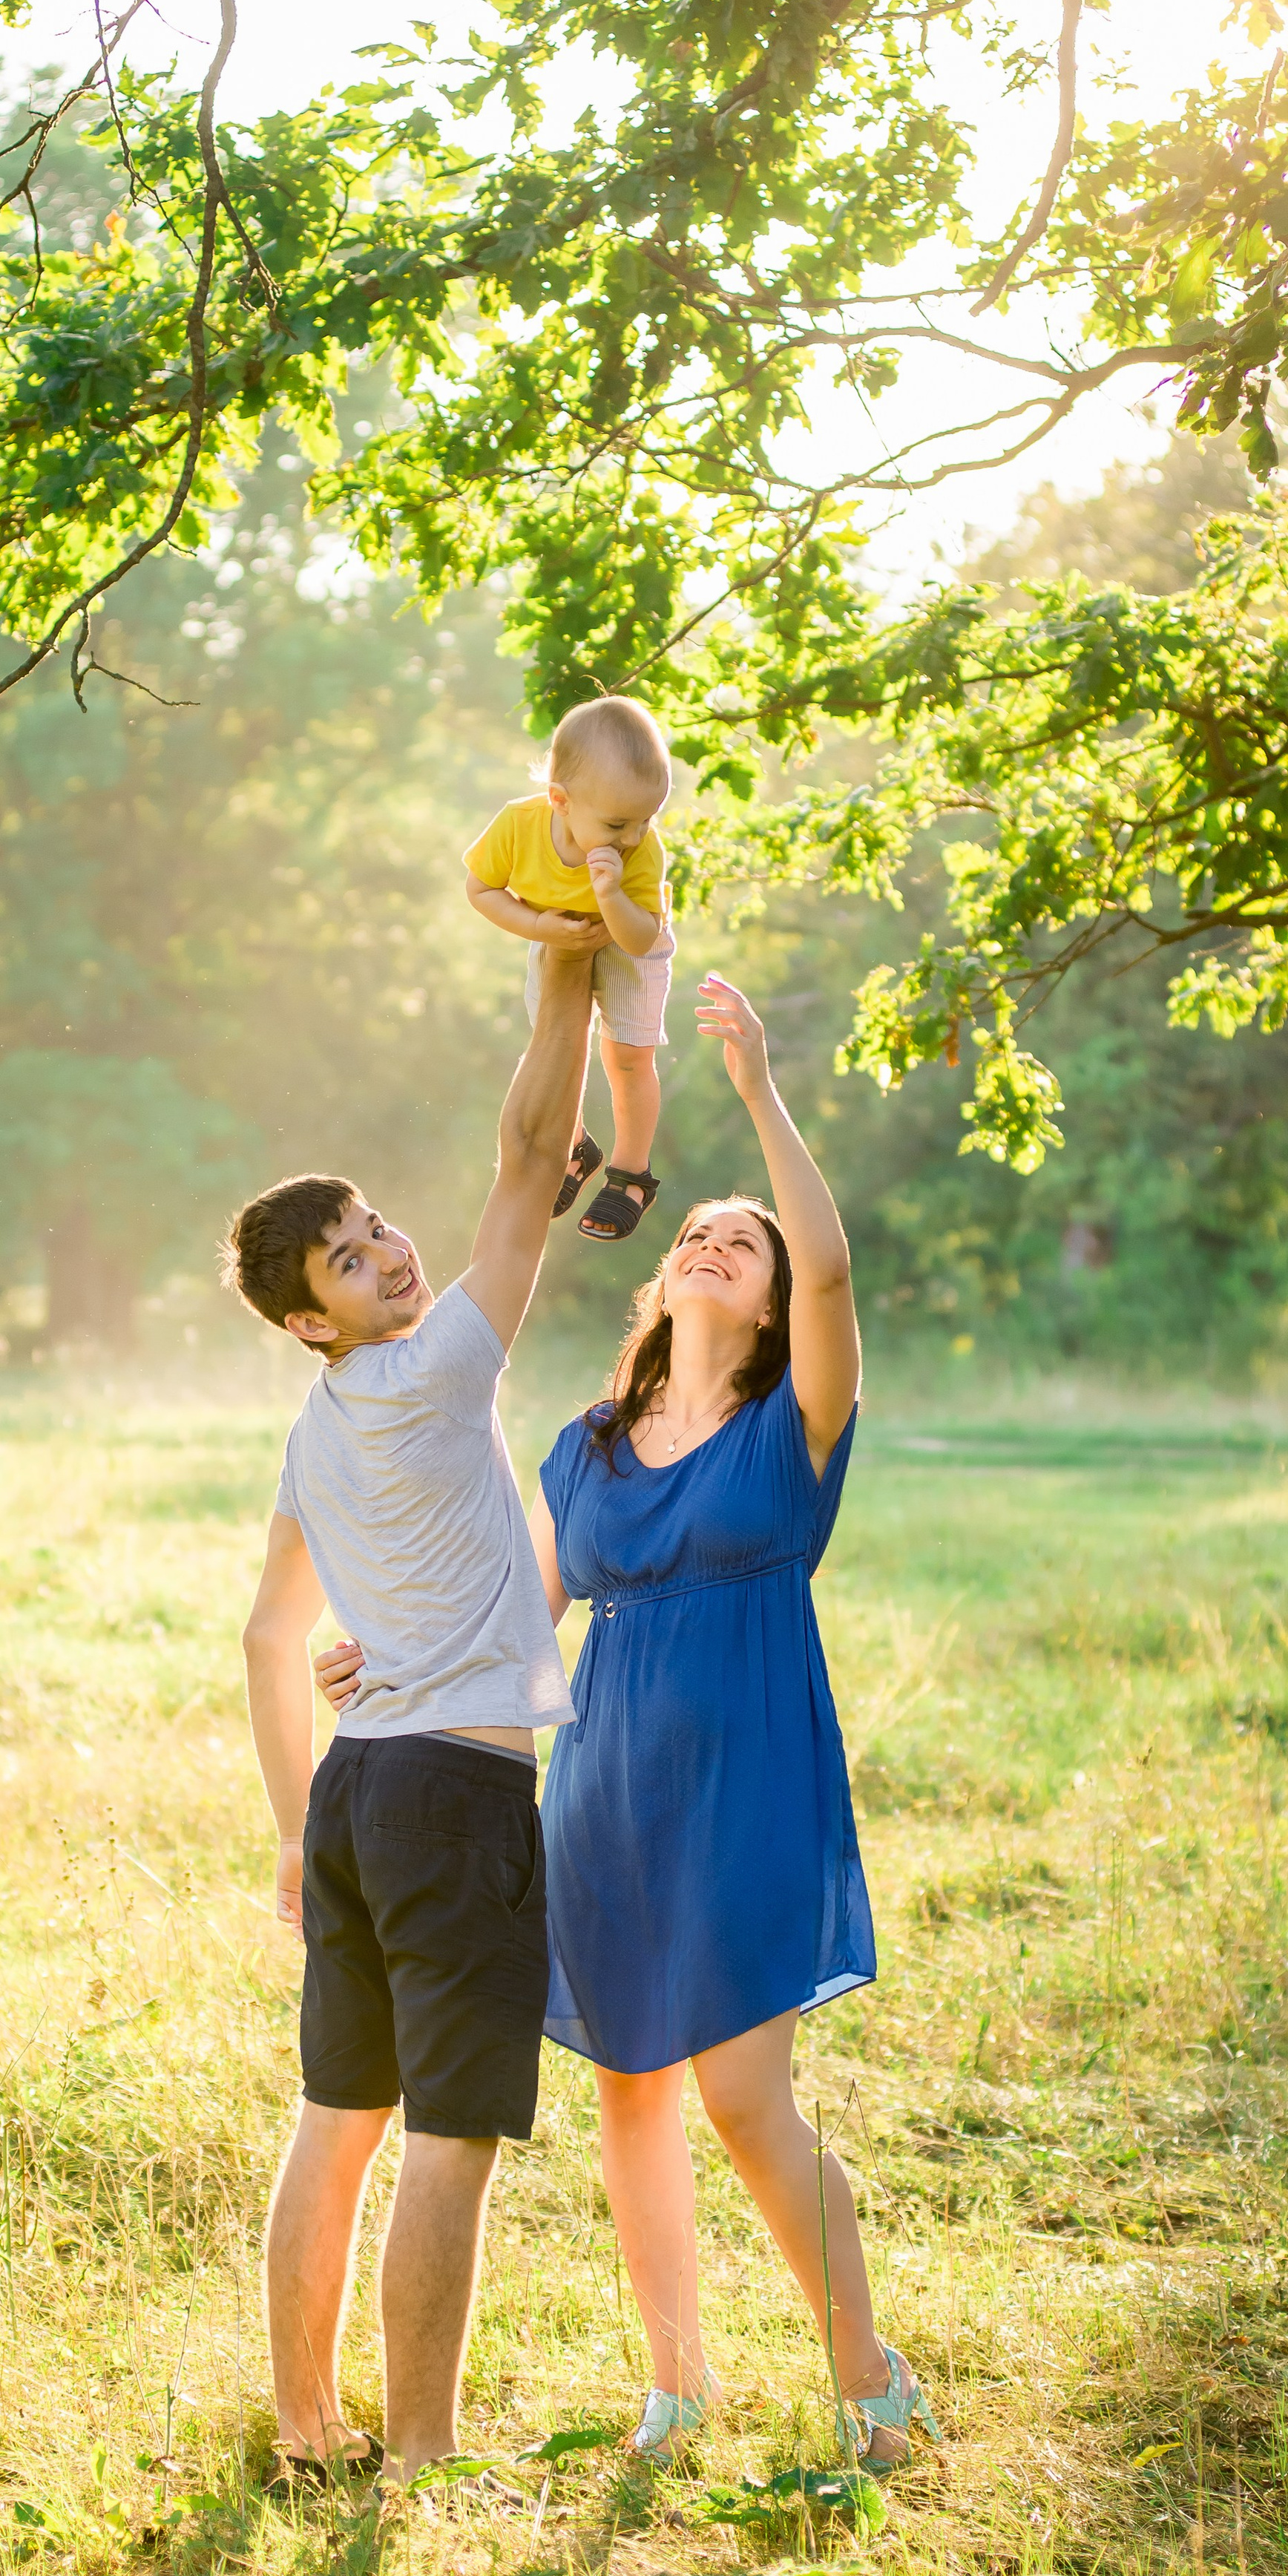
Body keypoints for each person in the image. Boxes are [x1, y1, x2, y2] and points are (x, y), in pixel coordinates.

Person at [318, 972, 939, 2476]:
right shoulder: (585, 1447)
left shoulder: (797, 1423)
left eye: (750, 1243)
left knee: (739, 2093)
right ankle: (677, 2386)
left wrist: (758, 1093)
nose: (719, 1240)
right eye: (697, 1234)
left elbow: (839, 1280)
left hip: (748, 1772)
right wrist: (383, 1654)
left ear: (777, 1300)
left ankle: (869, 2375)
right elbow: (511, 1603)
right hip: (603, 1785)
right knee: (630, 2091)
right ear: (658, 1288)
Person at [222, 931, 602, 2496]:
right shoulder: (441, 1366)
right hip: (451, 1799)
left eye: (377, 1224)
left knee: (337, 2115)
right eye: (347, 1257)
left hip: (358, 1800)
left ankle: (308, 2427)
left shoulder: (314, 1439)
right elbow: (529, 1157)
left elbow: (267, 1636)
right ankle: (425, 2460)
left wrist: (294, 1830)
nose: (385, 1250)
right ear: (313, 1318)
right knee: (443, 2135)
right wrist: (567, 974)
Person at [464, 695, 674, 1244]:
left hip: (629, 940)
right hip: (554, 934)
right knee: (555, 1047)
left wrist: (610, 893)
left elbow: (642, 933)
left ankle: (631, 1172)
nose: (632, 837)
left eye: (646, 819)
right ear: (560, 800)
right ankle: (574, 1146)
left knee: (626, 1055)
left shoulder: (639, 850)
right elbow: (481, 888)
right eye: (618, 823)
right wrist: (539, 928)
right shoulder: (519, 824)